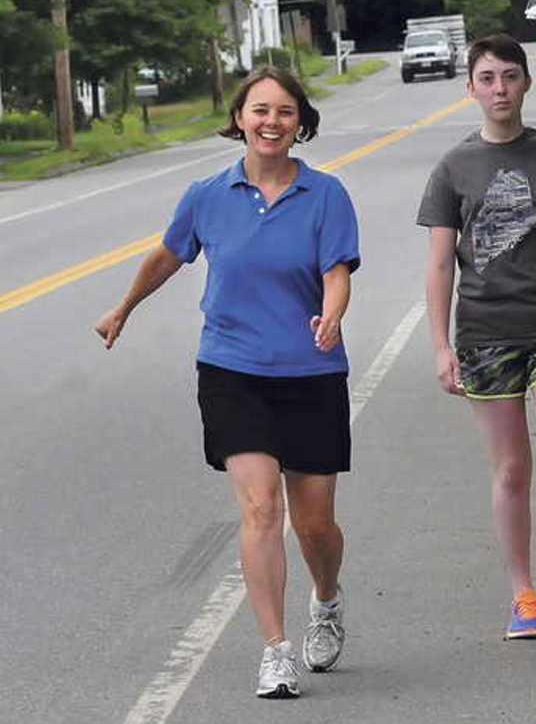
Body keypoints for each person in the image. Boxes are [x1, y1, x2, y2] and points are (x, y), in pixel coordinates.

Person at [94, 65, 360, 700]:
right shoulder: (206, 194)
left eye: (285, 112)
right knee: (261, 507)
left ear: (301, 124)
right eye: (260, 110)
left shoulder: (326, 194)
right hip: (231, 369)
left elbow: (337, 271)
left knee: (314, 524)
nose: (272, 122)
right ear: (239, 117)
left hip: (312, 370)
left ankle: (326, 597)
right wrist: (123, 308)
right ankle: (275, 649)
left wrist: (333, 314)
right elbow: (167, 253)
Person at [417, 33, 536, 641]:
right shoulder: (454, 168)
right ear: (471, 88)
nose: (500, 89)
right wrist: (442, 347)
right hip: (485, 335)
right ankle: (522, 592)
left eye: (510, 76)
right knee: (512, 470)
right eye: (488, 78)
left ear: (527, 82)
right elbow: (442, 263)